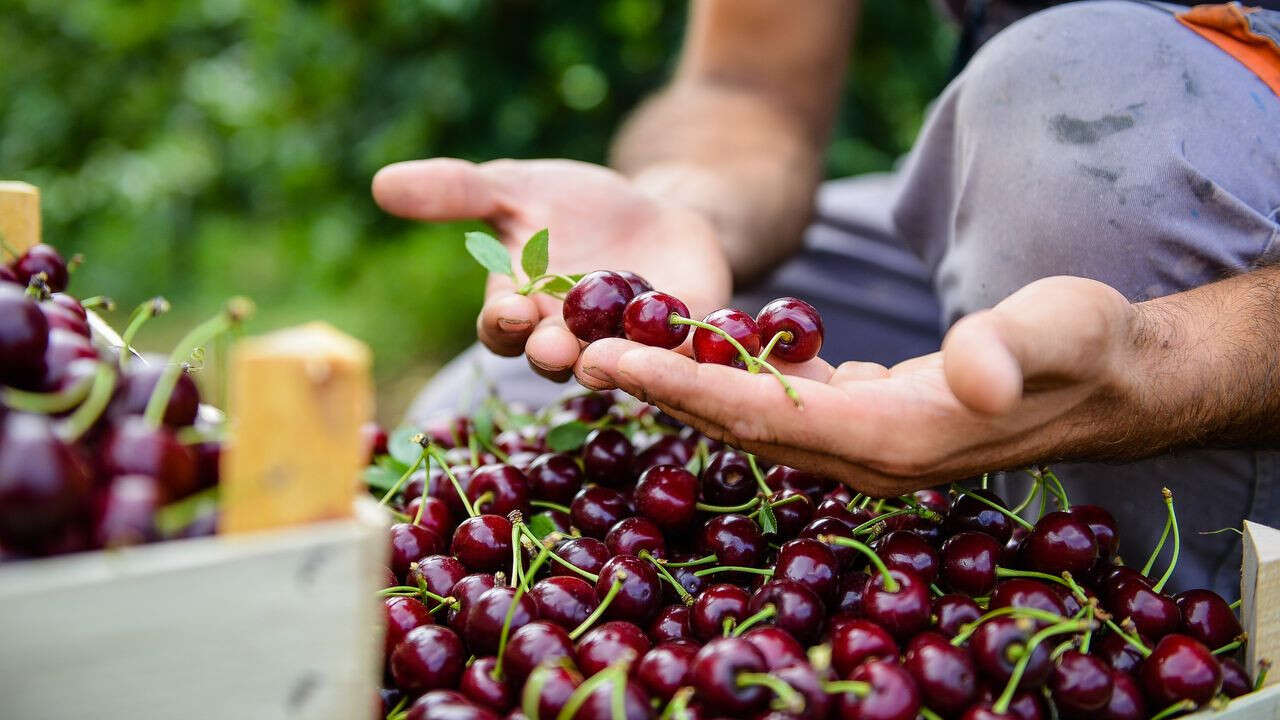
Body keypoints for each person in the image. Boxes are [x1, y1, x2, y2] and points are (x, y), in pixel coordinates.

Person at [370, 0, 1280, 596]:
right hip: (995, 205)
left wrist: (1170, 359)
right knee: (490, 417)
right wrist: (685, 208)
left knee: (1082, 102)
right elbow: (746, 85)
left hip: (1176, 257)